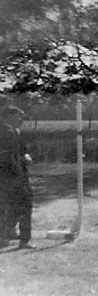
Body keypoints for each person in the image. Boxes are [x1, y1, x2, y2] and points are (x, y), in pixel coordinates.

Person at [0, 106, 34, 249]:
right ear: (10, 116)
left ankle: (6, 234)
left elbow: (18, 151)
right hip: (11, 175)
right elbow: (7, 156)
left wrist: (24, 155)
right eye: (19, 116)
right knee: (26, 204)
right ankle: (25, 240)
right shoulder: (7, 132)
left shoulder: (14, 131)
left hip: (10, 174)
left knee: (8, 205)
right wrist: (19, 173)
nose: (21, 120)